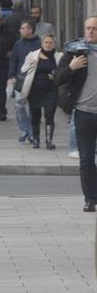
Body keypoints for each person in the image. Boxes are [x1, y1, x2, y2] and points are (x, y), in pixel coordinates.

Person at [55, 16, 97, 211]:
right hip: (83, 113)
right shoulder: (75, 51)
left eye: (94, 28)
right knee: (87, 159)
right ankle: (90, 199)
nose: (90, 32)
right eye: (88, 28)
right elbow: (57, 78)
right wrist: (71, 68)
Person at [18, 34, 61, 149]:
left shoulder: (58, 57)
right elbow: (23, 69)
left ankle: (49, 141)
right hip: (35, 90)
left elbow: (62, 73)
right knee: (35, 116)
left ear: (54, 44)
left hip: (51, 90)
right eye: (46, 42)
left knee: (49, 114)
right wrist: (31, 65)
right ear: (42, 43)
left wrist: (56, 75)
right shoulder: (33, 55)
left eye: (50, 42)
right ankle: (36, 140)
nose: (48, 45)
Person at [8, 20, 41, 143]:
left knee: (33, 108)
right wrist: (10, 76)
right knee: (19, 106)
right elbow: (13, 60)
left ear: (30, 30)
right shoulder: (18, 44)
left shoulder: (39, 44)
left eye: (23, 28)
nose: (20, 30)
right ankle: (25, 129)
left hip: (35, 80)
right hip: (20, 80)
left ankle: (32, 133)